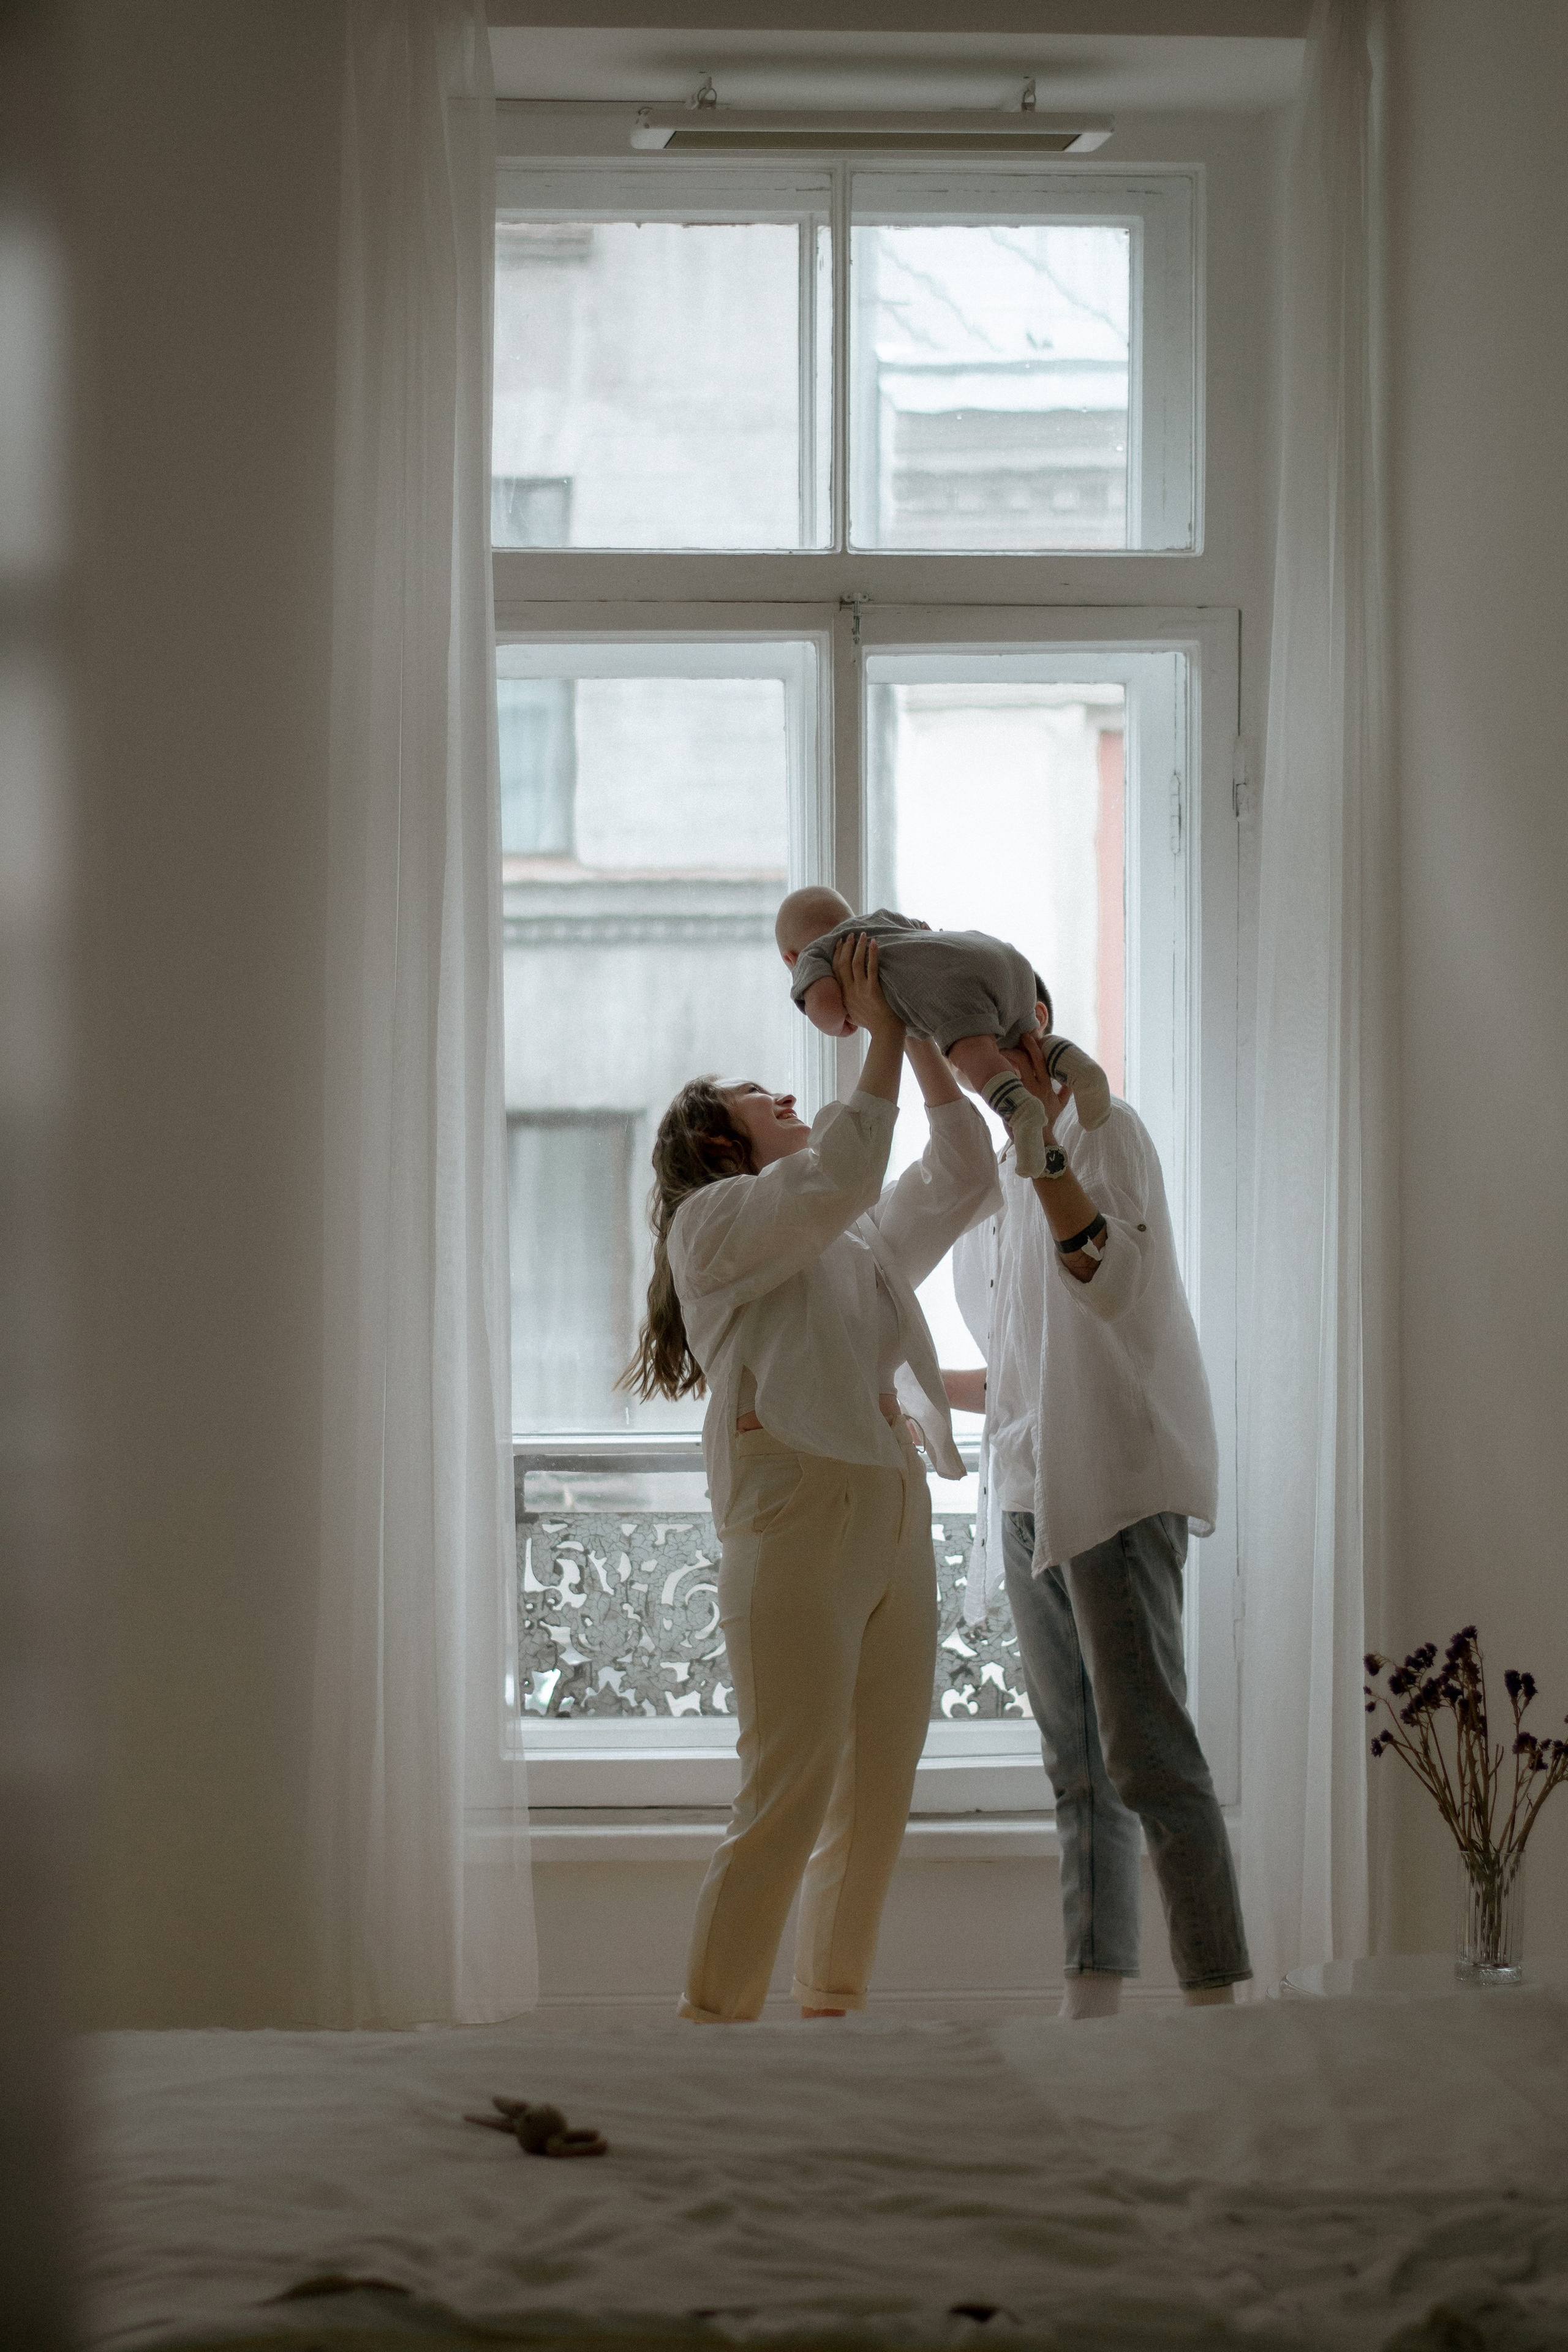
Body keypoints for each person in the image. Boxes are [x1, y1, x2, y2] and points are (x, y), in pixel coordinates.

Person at [625, 935, 1000, 2024]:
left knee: (876, 1799)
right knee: (787, 1797)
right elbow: (841, 1168)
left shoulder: (856, 1241)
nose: (786, 1090)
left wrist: (922, 1036)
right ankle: (713, 2033)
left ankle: (831, 2023)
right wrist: (879, 1031)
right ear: (714, 1138)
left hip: (890, 1506)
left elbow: (965, 1172)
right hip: (793, 1520)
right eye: (757, 1094)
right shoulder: (715, 1227)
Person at [946, 1002, 1251, 2019]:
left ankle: (1219, 2010)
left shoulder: (1102, 1134)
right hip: (1034, 1486)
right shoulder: (1002, 1174)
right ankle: (1094, 2018)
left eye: (973, 1043)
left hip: (1115, 1479)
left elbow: (1110, 1283)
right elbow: (1024, 1364)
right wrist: (893, 1379)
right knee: (1077, 1771)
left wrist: (1044, 1160)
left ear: (1028, 1030)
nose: (966, 1068)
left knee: (1150, 1756)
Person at [775, 886, 1110, 1178]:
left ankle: (1022, 1112)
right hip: (1000, 957)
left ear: (791, 959)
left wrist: (842, 1024)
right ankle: (1083, 1070)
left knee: (975, 1057)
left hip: (959, 987)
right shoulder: (882, 920)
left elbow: (825, 1008)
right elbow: (925, 931)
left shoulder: (815, 955)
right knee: (1024, 1046)